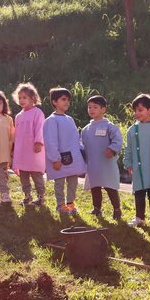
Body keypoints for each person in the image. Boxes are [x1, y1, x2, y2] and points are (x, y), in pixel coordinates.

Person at [43, 87, 86, 216]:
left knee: (73, 181)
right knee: (60, 182)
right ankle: (60, 204)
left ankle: (70, 203)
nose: (66, 102)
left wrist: (81, 155)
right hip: (59, 159)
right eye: (63, 99)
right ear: (54, 102)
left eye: (68, 100)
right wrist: (55, 159)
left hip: (73, 158)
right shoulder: (51, 120)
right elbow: (51, 141)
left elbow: (75, 139)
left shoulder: (69, 119)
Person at [123, 94, 150, 229]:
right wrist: (128, 163)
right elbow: (128, 149)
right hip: (138, 168)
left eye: (140, 110)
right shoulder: (132, 130)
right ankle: (139, 218)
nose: (137, 113)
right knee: (139, 192)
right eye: (135, 110)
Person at [80, 95, 123, 220]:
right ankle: (97, 208)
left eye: (95, 107)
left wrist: (112, 149)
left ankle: (117, 209)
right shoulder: (85, 129)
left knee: (110, 187)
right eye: (89, 107)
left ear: (103, 109)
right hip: (93, 164)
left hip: (107, 164)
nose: (91, 110)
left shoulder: (110, 127)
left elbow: (117, 140)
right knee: (95, 187)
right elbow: (82, 146)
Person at [11, 83, 46, 206]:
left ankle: (41, 197)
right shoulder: (18, 116)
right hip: (22, 150)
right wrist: (13, 148)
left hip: (34, 149)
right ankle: (27, 195)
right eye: (19, 98)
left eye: (24, 97)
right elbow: (16, 135)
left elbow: (40, 129)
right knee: (23, 174)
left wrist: (38, 142)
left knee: (36, 174)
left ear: (32, 98)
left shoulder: (37, 113)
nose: (21, 100)